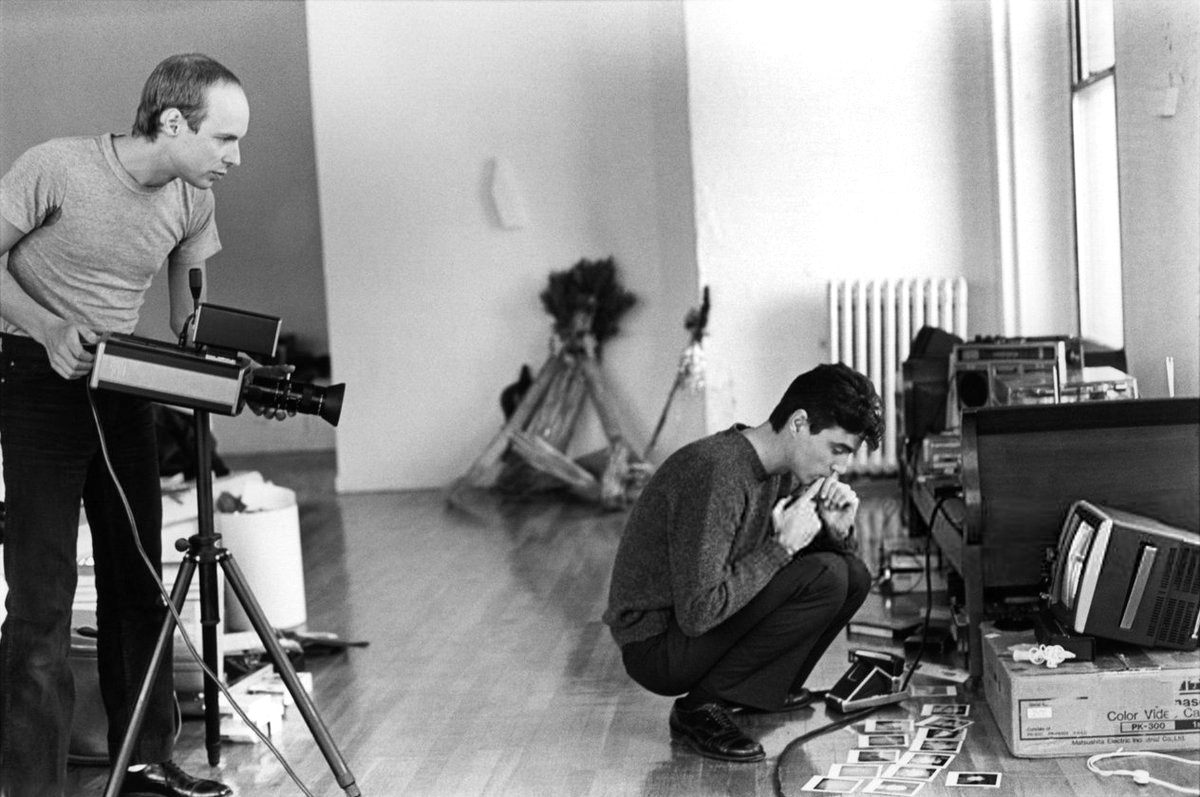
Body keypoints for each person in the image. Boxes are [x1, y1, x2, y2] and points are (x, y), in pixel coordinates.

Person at [0, 53, 275, 797]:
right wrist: (49, 326)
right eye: (225, 139)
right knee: (41, 596)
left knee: (139, 583)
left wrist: (232, 365)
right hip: (34, 381)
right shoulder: (55, 169)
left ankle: (147, 760)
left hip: (122, 386)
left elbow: (191, 316)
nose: (235, 157)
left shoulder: (192, 199)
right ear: (173, 121)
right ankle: (32, 786)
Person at [603, 363, 884, 762]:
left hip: (697, 624)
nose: (839, 467)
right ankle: (698, 708)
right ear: (799, 423)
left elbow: (777, 569)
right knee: (827, 576)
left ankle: (764, 688)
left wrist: (836, 532)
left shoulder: (781, 470)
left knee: (852, 575)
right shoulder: (717, 473)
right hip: (656, 645)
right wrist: (781, 548)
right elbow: (699, 612)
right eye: (836, 449)